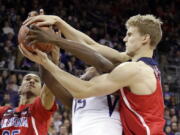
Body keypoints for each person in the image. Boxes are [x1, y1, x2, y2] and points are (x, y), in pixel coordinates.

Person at [21, 14, 166, 135]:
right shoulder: (138, 66)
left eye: (129, 34)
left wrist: (53, 43)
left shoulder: (135, 70)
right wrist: (59, 22)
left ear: (145, 38)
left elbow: (85, 88)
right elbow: (92, 46)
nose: (124, 39)